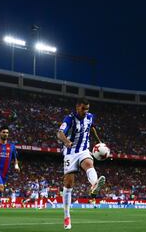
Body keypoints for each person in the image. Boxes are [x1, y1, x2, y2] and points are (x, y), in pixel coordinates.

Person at [57, 98, 106, 230]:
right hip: (70, 152)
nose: (86, 111)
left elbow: (92, 128)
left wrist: (99, 142)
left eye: (87, 109)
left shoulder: (90, 117)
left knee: (89, 164)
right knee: (68, 184)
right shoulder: (70, 118)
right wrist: (66, 141)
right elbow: (60, 133)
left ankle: (94, 185)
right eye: (83, 108)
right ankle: (67, 217)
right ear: (77, 107)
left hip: (84, 150)